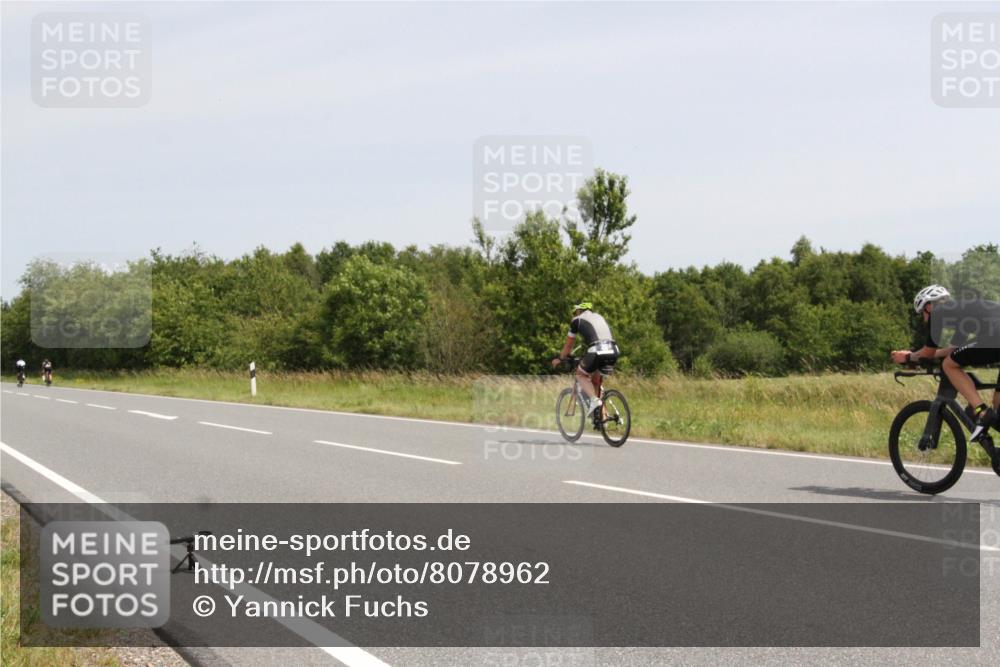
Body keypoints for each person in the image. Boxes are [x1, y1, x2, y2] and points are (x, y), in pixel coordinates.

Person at [891, 284, 1000, 442]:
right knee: (997, 405)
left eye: (922, 313)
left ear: (929, 306)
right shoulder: (961, 312)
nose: (924, 318)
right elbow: (953, 350)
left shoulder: (938, 313)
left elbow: (928, 353)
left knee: (948, 365)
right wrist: (916, 355)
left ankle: (981, 412)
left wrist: (908, 357)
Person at [551, 302, 620, 418]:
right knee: (595, 382)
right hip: (614, 350)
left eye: (574, 312)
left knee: (580, 375)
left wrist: (560, 358)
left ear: (578, 311)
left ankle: (594, 400)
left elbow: (568, 346)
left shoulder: (576, 320)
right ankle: (601, 418)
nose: (574, 315)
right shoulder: (599, 317)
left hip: (597, 350)